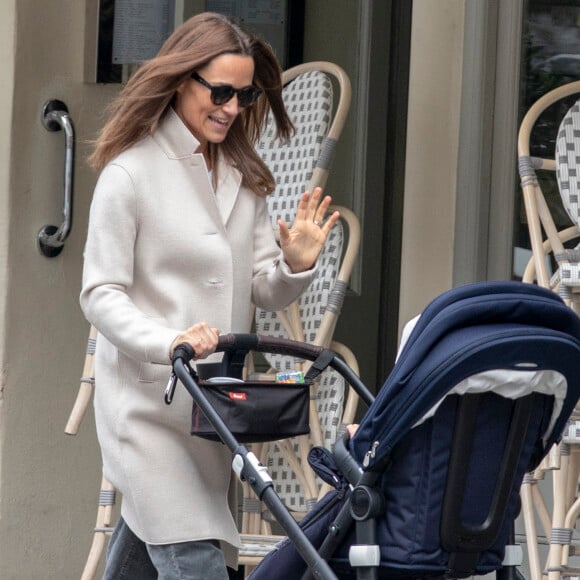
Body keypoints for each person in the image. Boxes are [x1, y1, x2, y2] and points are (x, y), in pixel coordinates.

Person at [80, 11, 340, 580]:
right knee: (192, 555)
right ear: (180, 80)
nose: (231, 107)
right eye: (219, 91)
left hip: (211, 414)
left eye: (244, 95)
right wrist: (166, 339)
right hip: (148, 410)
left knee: (155, 546)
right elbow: (101, 294)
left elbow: (263, 286)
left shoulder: (242, 178)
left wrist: (296, 265)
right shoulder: (130, 175)